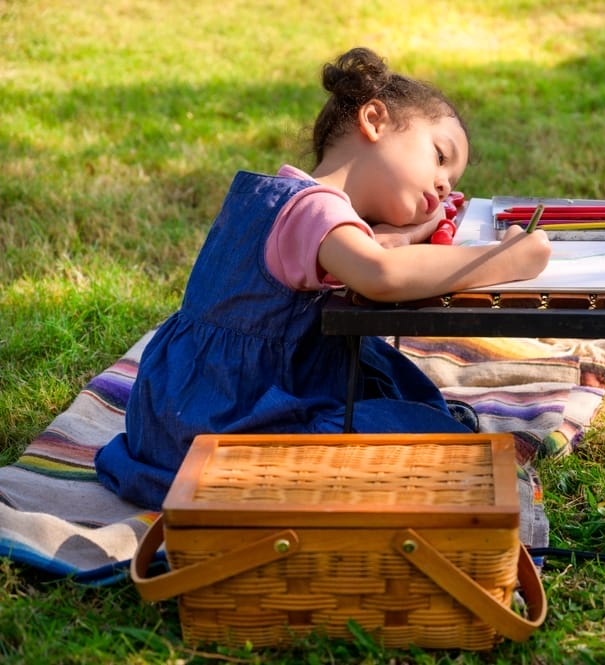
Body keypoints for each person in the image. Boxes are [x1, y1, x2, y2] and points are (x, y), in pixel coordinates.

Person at [95, 47, 551, 509]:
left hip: (188, 406)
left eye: (450, 182)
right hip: (222, 423)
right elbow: (382, 274)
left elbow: (380, 253)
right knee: (433, 448)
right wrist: (504, 258)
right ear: (374, 119)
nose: (443, 186)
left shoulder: (291, 200)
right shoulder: (314, 210)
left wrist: (412, 230)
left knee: (402, 398)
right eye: (439, 157)